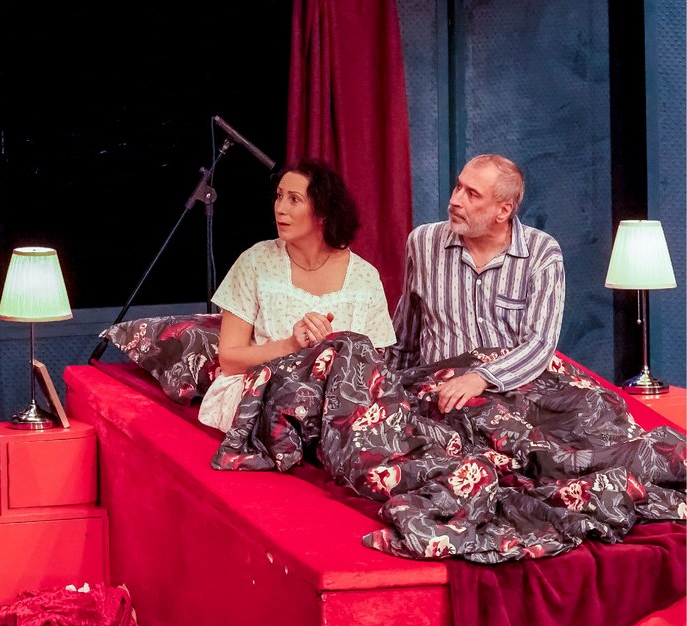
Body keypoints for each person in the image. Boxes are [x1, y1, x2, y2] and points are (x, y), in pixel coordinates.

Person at [199, 158, 396, 432]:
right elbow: (229, 360)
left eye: (294, 199)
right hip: (264, 393)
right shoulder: (255, 262)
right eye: (279, 196)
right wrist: (291, 345)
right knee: (300, 406)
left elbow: (375, 367)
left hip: (340, 405)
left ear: (323, 211)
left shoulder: (365, 277)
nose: (280, 208)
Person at [387, 154, 565, 413]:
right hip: (439, 396)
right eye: (458, 187)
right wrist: (390, 397)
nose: (455, 200)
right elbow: (405, 340)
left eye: (472, 194)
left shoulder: (542, 252)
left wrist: (481, 378)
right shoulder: (423, 242)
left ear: (503, 210)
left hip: (513, 396)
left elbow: (539, 344)